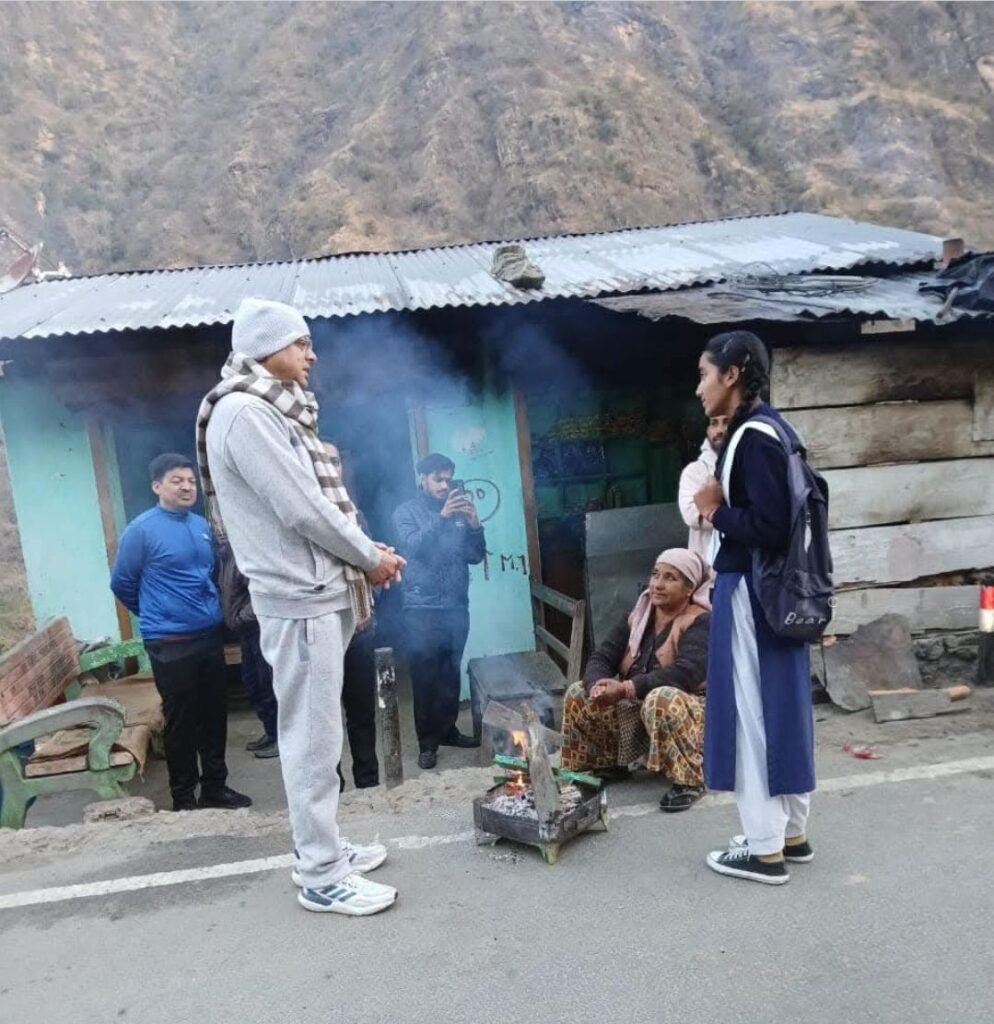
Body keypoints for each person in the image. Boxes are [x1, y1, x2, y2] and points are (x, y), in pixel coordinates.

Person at [197, 297, 404, 916]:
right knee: (311, 737)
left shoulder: (271, 409)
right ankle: (321, 874)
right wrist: (368, 558)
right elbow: (303, 509)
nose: (312, 356)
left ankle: (323, 846)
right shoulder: (245, 413)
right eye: (301, 343)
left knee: (317, 730)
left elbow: (317, 506)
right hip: (299, 595)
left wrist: (365, 551)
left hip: (311, 588)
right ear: (266, 347)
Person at [693, 330, 815, 886]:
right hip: (780, 592)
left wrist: (714, 511)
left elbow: (769, 526)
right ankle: (790, 833)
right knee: (782, 706)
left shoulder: (751, 437)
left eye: (704, 375)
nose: (699, 389)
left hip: (750, 589)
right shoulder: (778, 429)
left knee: (750, 713)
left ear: (732, 374)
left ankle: (765, 849)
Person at [110, 453, 251, 813]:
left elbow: (208, 574)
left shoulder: (200, 526)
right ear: (157, 486)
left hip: (208, 636)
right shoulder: (141, 531)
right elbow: (122, 583)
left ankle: (215, 787)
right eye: (177, 481)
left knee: (214, 715)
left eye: (191, 481)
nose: (187, 487)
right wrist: (158, 614)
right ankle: (184, 798)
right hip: (170, 643)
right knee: (181, 721)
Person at [560, 548, 712, 812]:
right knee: (578, 692)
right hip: (637, 703)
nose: (658, 584)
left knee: (662, 699)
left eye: (670, 578)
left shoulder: (700, 620)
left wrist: (626, 688)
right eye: (655, 574)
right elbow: (602, 657)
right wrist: (597, 686)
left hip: (691, 709)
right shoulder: (638, 616)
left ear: (689, 588)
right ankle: (605, 765)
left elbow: (685, 673)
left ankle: (689, 781)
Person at [393, 453, 486, 770]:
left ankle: (448, 730)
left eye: (448, 479)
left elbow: (475, 556)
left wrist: (474, 525)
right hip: (422, 609)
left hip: (457, 607)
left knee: (450, 673)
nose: (445, 486)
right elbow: (413, 547)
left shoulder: (458, 512)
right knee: (425, 677)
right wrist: (443, 517)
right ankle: (427, 743)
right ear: (422, 479)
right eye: (438, 479)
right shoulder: (406, 512)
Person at [325, 441, 379, 790]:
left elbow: (370, 564)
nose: (332, 467)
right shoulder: (305, 515)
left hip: (359, 629)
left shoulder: (355, 513)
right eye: (323, 460)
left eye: (336, 460)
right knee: (325, 719)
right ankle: (333, 789)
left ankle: (368, 783)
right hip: (324, 632)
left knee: (362, 712)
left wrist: (371, 607)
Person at [217, 537, 280, 759]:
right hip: (245, 633)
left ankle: (280, 738)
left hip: (258, 629)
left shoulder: (246, 552)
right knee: (253, 685)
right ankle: (271, 732)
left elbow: (266, 591)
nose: (220, 531)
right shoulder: (225, 555)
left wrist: (241, 618)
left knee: (267, 685)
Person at [678, 415, 727, 561]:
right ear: (707, 430)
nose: (720, 430)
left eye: (726, 423)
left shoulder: (751, 464)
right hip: (709, 563)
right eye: (714, 423)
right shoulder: (694, 471)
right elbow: (691, 515)